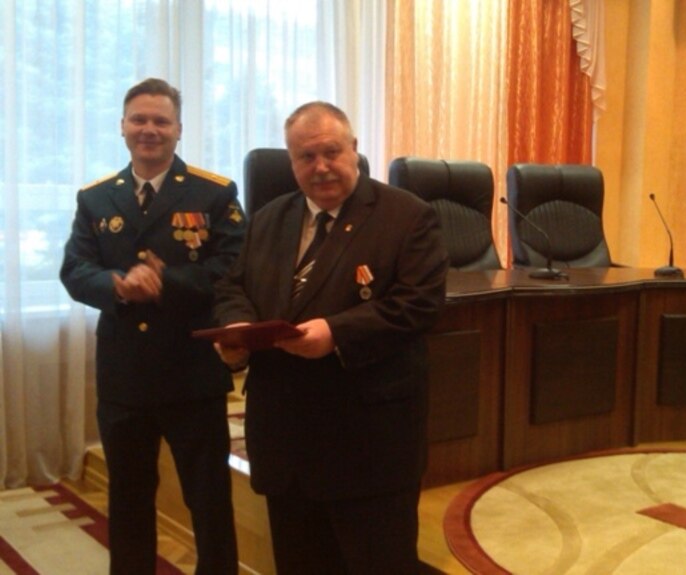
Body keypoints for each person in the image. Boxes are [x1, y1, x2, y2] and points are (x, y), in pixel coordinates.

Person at [213, 101, 448, 574]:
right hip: (284, 441)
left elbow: (419, 303)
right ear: (291, 162)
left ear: (355, 150)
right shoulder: (268, 218)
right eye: (305, 156)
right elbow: (232, 285)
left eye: (331, 152)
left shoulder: (407, 216)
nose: (320, 167)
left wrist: (336, 333)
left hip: (367, 446)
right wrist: (237, 328)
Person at [60, 78, 243, 574]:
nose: (149, 129)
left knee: (208, 501)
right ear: (122, 127)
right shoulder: (96, 198)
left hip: (192, 375)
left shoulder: (214, 191)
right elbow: (74, 271)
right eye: (139, 119)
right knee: (129, 501)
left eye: (161, 120)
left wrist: (169, 284)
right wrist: (118, 285)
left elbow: (235, 267)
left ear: (178, 130)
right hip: (125, 379)